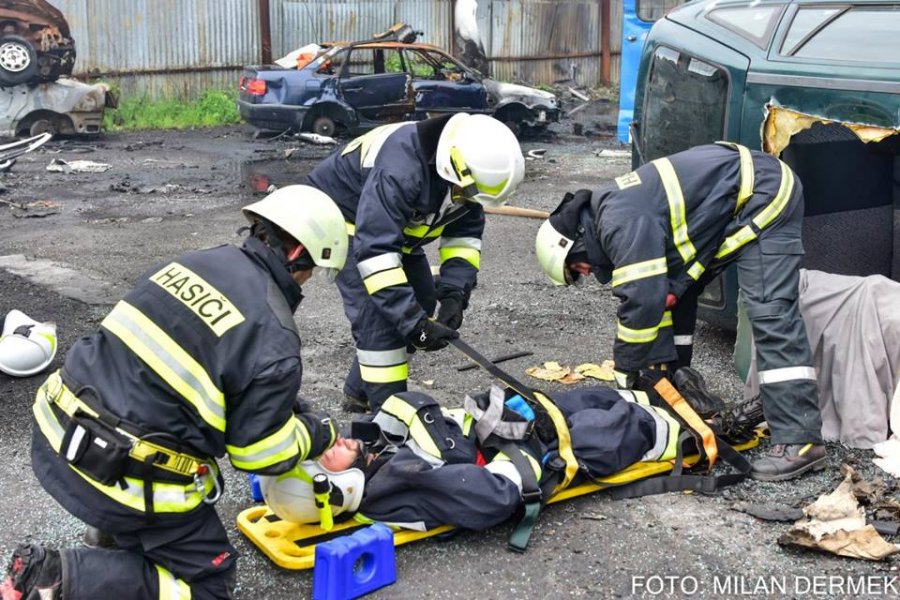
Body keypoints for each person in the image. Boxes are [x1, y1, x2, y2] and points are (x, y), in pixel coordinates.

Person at [1, 185, 348, 600]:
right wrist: (318, 432)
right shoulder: (273, 335)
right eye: (313, 270)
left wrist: (285, 405)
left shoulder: (192, 263)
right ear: (297, 255)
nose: (308, 283)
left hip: (56, 431)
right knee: (209, 584)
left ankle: (111, 537)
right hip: (114, 472)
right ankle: (56, 579)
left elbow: (197, 365)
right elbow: (260, 455)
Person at [534, 142, 826, 482]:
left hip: (764, 192)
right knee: (676, 292)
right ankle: (676, 382)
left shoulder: (619, 222)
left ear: (575, 242)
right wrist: (664, 375)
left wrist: (625, 374)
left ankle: (801, 441)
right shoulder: (612, 211)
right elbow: (662, 297)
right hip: (736, 199)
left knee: (771, 312)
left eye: (577, 267)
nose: (586, 273)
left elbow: (641, 303)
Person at [306, 113, 525, 413]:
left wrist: (453, 294)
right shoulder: (401, 170)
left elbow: (464, 237)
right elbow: (376, 254)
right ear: (452, 167)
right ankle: (390, 420)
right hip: (344, 221)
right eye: (467, 194)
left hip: (391, 228)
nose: (467, 200)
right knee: (380, 318)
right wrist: (412, 325)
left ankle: (359, 392)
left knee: (421, 299)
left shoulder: (468, 177)